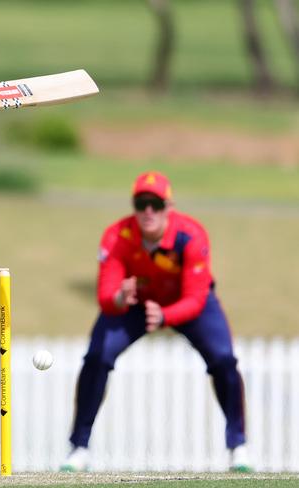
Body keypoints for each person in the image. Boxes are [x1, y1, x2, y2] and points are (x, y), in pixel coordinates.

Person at [60, 171, 251, 473]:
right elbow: (106, 295)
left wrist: (166, 316)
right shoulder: (117, 236)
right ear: (134, 205)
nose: (148, 211)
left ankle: (238, 446)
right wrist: (121, 298)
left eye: (156, 204)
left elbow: (196, 298)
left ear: (169, 207)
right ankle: (78, 447)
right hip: (135, 304)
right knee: (97, 357)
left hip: (187, 303)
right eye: (141, 203)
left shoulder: (191, 236)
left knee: (224, 360)